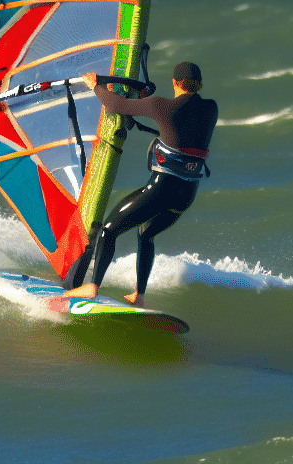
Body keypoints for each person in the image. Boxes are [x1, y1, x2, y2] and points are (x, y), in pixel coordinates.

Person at [64, 61, 218, 306]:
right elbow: (186, 120)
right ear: (198, 83)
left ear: (175, 82)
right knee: (146, 233)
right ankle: (140, 295)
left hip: (162, 188)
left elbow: (117, 105)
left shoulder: (162, 106)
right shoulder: (211, 109)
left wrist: (96, 85)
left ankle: (91, 287)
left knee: (108, 231)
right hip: (187, 194)